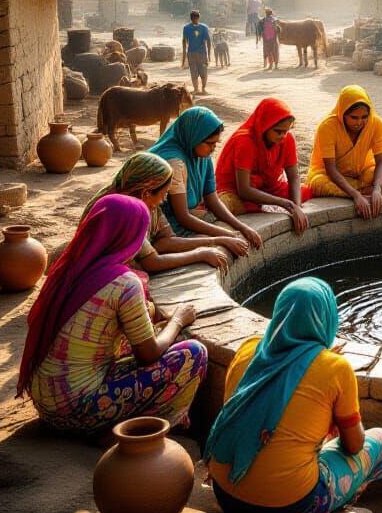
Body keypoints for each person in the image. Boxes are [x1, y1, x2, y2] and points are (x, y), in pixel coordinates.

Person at [206, 277, 382, 513]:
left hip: (227, 498)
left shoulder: (247, 350)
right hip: (290, 508)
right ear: (327, 317)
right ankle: (325, 509)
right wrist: (326, 368)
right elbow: (354, 445)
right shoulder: (336, 369)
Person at [18, 195, 208, 433]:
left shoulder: (70, 267)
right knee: (192, 352)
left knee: (150, 330)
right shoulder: (123, 283)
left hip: (46, 400)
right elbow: (148, 355)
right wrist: (179, 320)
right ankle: (149, 429)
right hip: (77, 409)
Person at [83, 152, 248, 273]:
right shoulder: (126, 210)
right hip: (101, 274)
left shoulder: (143, 198)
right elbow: (151, 262)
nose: (163, 201)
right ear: (147, 192)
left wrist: (216, 240)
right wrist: (200, 254)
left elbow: (165, 240)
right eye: (162, 195)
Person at [150, 106, 264, 251]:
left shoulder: (202, 156)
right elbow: (183, 217)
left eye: (215, 143)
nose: (213, 148)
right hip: (162, 221)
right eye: (209, 143)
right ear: (193, 137)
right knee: (209, 242)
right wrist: (229, 235)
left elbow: (212, 198)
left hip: (182, 215)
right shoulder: (174, 162)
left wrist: (242, 228)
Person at [305, 85, 382, 218]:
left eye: (364, 117)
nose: (359, 122)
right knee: (318, 183)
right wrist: (355, 195)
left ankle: (369, 189)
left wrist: (377, 189)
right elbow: (331, 170)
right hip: (332, 177)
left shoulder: (375, 123)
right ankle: (364, 191)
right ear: (342, 113)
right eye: (354, 117)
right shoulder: (327, 127)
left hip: (363, 172)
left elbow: (381, 161)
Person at [215, 98, 311, 234]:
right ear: (264, 126)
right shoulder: (245, 141)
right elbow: (244, 189)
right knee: (237, 205)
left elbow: (294, 177)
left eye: (286, 131)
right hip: (237, 190)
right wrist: (285, 204)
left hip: (269, 187)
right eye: (278, 132)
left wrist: (296, 206)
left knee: (305, 191)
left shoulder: (287, 139)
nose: (283, 136)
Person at [181, 9, 212, 95]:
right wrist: (184, 57)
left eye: (196, 18)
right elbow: (184, 42)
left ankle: (203, 88)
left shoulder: (204, 28)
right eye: (194, 18)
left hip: (201, 53)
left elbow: (208, 41)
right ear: (192, 18)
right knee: (194, 72)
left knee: (203, 72)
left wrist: (209, 54)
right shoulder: (186, 28)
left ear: (198, 18)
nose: (195, 19)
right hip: (192, 54)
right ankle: (196, 89)